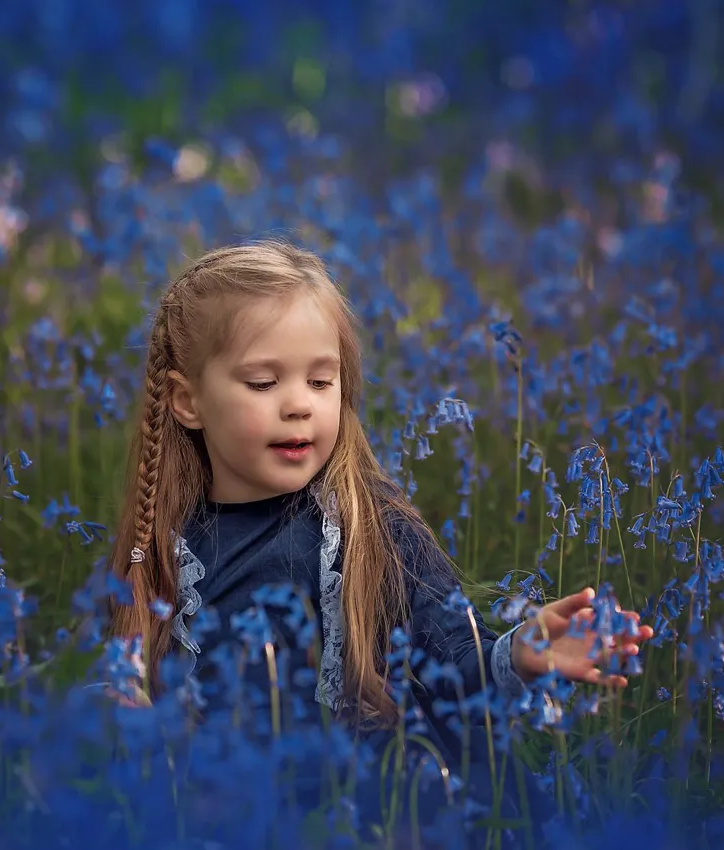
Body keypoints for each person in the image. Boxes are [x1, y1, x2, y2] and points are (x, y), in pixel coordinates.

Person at [98, 238, 652, 837]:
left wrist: (522, 651)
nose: (299, 406)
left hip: (370, 815)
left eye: (320, 381)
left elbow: (450, 651)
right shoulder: (157, 542)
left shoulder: (369, 522)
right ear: (188, 401)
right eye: (263, 383)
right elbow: (121, 659)